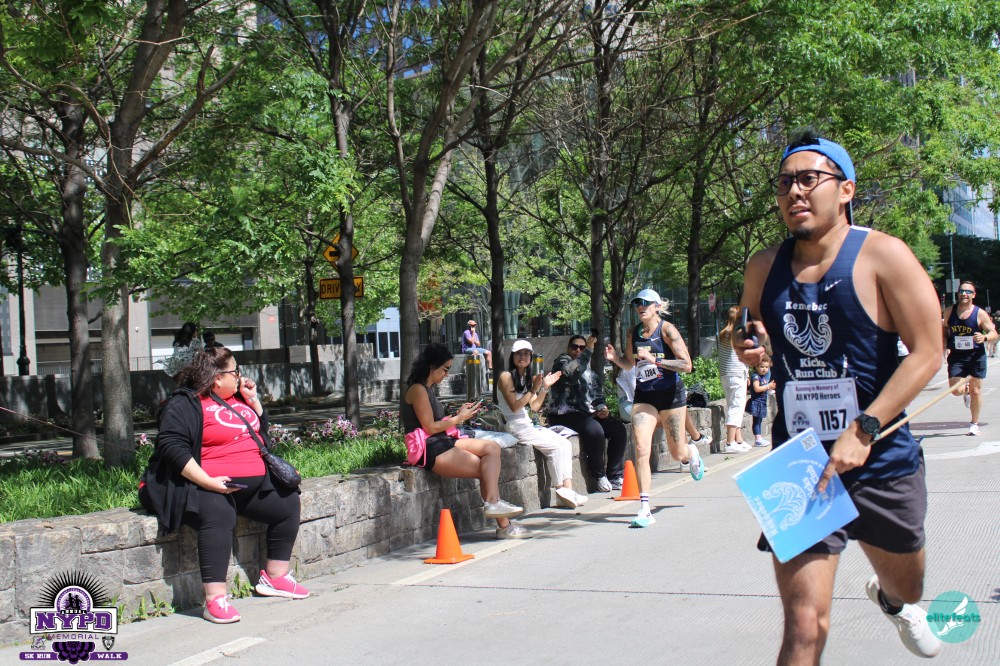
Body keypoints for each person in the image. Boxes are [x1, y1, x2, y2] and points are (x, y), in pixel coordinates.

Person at [735, 131, 944, 661]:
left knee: (909, 587)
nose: (794, 192)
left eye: (810, 179)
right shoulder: (763, 266)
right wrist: (747, 346)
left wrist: (865, 428)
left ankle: (894, 602)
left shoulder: (885, 256)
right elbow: (749, 328)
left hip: (879, 456)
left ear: (846, 189)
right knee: (804, 626)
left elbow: (927, 352)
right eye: (785, 182)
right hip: (799, 461)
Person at [140, 347, 309, 624]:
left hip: (250, 486)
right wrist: (208, 481)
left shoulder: (238, 397)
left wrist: (253, 401)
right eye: (235, 371)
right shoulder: (186, 402)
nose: (240, 376)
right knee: (219, 513)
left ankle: (275, 577)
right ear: (217, 378)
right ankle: (215, 598)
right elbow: (171, 447)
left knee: (287, 502)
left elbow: (259, 432)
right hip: (204, 484)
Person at [402, 343, 527, 539]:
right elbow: (430, 427)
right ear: (431, 366)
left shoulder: (427, 389)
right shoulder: (418, 389)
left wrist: (457, 415)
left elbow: (436, 424)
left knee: (492, 448)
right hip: (431, 449)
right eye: (445, 369)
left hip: (443, 441)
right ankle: (503, 524)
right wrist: (459, 419)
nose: (447, 374)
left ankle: (495, 508)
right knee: (486, 470)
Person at [605, 289, 703, 528]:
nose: (641, 307)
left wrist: (655, 360)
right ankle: (645, 508)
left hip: (670, 396)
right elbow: (630, 363)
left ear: (657, 306)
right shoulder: (633, 332)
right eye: (637, 303)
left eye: (646, 303)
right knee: (640, 447)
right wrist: (616, 359)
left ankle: (691, 452)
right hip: (645, 397)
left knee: (677, 453)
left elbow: (687, 365)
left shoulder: (667, 330)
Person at [498, 340, 588, 508]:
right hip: (514, 426)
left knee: (565, 444)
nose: (522, 357)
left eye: (526, 353)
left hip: (527, 424)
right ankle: (561, 491)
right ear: (512, 356)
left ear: (531, 357)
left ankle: (567, 491)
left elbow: (534, 406)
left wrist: (544, 388)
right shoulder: (506, 376)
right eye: (519, 353)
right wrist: (533, 389)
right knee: (554, 448)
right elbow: (515, 407)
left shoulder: (526, 377)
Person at [547, 334, 627, 493]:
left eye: (582, 348)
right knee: (595, 430)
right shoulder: (561, 362)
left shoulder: (590, 372)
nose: (578, 350)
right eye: (574, 347)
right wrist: (589, 350)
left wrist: (602, 409)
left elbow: (598, 396)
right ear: (568, 348)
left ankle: (614, 476)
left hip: (586, 414)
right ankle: (599, 476)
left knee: (618, 429)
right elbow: (570, 375)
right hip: (563, 414)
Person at [614, 363, 711, 464]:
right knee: (675, 419)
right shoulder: (630, 367)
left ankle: (689, 451)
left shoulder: (639, 365)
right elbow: (637, 392)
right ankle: (694, 441)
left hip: (640, 405)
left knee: (678, 414)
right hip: (629, 407)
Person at [942, 280, 997, 436]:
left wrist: (984, 337)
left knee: (976, 391)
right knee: (956, 390)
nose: (964, 294)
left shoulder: (979, 313)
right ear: (958, 293)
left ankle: (974, 424)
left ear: (973, 295)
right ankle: (965, 389)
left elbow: (993, 333)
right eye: (962, 291)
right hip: (957, 356)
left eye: (968, 292)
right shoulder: (949, 311)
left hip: (975, 356)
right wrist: (944, 344)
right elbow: (944, 329)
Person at [717, 305, 752, 453]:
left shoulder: (723, 333)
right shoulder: (738, 334)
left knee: (734, 405)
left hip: (726, 373)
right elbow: (744, 355)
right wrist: (747, 373)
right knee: (737, 407)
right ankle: (730, 442)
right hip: (737, 373)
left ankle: (739, 440)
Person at [748, 356, 775, 448]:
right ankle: (758, 439)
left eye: (766, 367)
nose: (764, 369)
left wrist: (770, 387)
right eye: (762, 367)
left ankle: (759, 438)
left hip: (762, 401)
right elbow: (757, 388)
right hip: (756, 402)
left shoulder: (763, 376)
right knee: (756, 421)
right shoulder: (755, 376)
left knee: (759, 420)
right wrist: (768, 386)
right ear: (756, 366)